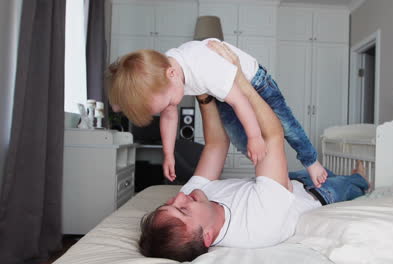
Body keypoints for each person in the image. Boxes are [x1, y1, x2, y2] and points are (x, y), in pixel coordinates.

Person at [138, 42, 369, 262]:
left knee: (321, 170)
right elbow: (272, 136)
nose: (179, 196)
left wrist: (203, 92)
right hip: (317, 194)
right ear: (207, 236)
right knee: (351, 184)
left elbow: (216, 144)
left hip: (286, 182)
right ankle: (360, 177)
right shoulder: (258, 224)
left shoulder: (192, 194)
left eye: (169, 203)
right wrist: (239, 78)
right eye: (183, 210)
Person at [106, 38, 327, 189]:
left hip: (253, 83)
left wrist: (255, 135)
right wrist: (169, 153)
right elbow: (169, 115)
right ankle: (278, 174)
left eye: (168, 102)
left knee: (285, 126)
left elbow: (240, 101)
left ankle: (311, 161)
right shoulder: (162, 76)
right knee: (245, 143)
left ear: (172, 74)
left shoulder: (204, 68)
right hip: (222, 93)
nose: (170, 107)